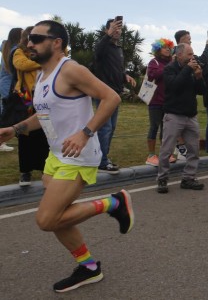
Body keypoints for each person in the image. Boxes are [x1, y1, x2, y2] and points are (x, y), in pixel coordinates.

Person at [0, 19, 133, 293]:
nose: (29, 43)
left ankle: (113, 203)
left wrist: (85, 132)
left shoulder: (71, 69)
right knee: (60, 216)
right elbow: (45, 115)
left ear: (57, 42)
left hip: (78, 155)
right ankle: (89, 267)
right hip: (57, 154)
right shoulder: (42, 74)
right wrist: (15, 129)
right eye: (28, 38)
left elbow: (111, 98)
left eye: (36, 38)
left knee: (46, 220)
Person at [157, 43, 206, 193]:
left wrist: (198, 77)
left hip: (190, 115)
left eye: (193, 54)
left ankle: (188, 178)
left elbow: (201, 91)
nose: (192, 57)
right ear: (179, 55)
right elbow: (174, 86)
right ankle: (162, 179)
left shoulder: (191, 70)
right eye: (189, 54)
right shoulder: (169, 69)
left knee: (194, 149)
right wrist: (188, 70)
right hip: (174, 115)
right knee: (167, 150)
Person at [93, 17, 136, 174]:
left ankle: (103, 157)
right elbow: (97, 53)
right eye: (113, 28)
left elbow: (116, 68)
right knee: (105, 127)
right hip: (104, 93)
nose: (117, 31)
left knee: (111, 127)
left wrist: (125, 76)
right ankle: (101, 162)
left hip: (115, 94)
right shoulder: (102, 46)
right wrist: (108, 35)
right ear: (106, 30)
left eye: (119, 28)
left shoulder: (117, 49)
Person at [12, 27, 50, 186]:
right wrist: (40, 62)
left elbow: (64, 52)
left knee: (43, 134)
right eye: (31, 38)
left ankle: (44, 168)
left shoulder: (44, 52)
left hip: (42, 97)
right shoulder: (18, 52)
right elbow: (21, 65)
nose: (33, 43)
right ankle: (25, 172)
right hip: (26, 99)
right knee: (25, 136)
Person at [144, 38, 175, 167]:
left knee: (166, 128)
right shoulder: (154, 62)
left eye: (169, 47)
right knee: (154, 126)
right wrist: (169, 66)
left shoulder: (172, 62)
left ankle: (165, 153)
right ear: (158, 50)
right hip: (155, 101)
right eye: (164, 47)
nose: (168, 49)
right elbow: (152, 75)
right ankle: (151, 155)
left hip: (168, 101)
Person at [0, 27, 23, 151]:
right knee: (6, 113)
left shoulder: (6, 47)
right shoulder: (15, 50)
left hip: (5, 84)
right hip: (8, 85)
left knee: (5, 111)